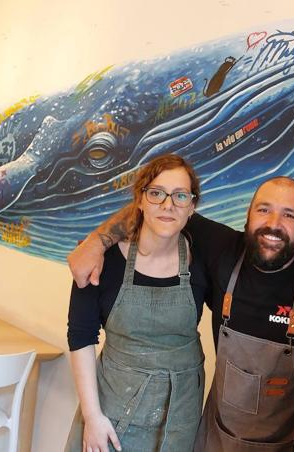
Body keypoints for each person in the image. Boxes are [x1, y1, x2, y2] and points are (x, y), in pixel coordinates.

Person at [67, 176, 294, 451]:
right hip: (214, 439)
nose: (273, 224)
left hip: (286, 444)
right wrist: (97, 241)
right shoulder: (222, 248)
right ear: (247, 217)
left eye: (289, 215)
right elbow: (161, 205)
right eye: (264, 210)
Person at [65, 155, 207, 452]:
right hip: (111, 415)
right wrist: (92, 417)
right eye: (156, 193)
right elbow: (80, 337)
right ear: (139, 201)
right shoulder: (102, 262)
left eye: (180, 196)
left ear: (191, 206)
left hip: (179, 419)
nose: (168, 205)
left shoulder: (204, 260)